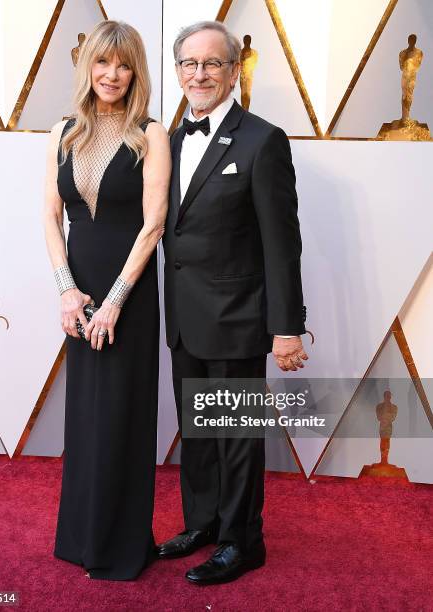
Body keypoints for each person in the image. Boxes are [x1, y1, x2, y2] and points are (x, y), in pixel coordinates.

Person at [157, 21, 309, 585]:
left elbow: (281, 242)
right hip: (184, 318)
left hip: (239, 317)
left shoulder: (262, 139)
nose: (200, 74)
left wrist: (286, 327)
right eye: (189, 64)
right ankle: (202, 524)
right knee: (197, 432)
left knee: (236, 437)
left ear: (234, 70)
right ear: (177, 73)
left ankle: (242, 542)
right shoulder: (168, 141)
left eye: (212, 64)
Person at [43, 20, 170, 580]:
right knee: (86, 415)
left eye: (122, 64)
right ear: (87, 67)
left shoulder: (152, 134)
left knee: (122, 413)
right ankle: (80, 538)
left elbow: (154, 225)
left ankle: (121, 547)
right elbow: (49, 217)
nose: (111, 75)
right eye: (102, 63)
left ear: (135, 70)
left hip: (130, 293)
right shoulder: (63, 131)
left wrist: (116, 300)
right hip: (79, 291)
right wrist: (66, 291)